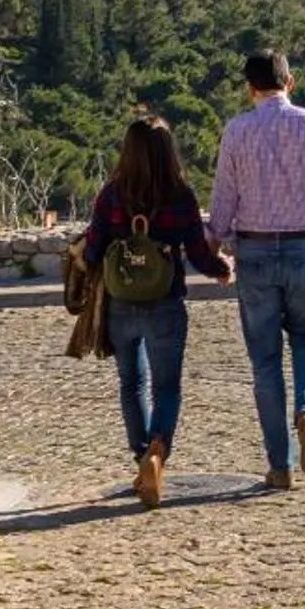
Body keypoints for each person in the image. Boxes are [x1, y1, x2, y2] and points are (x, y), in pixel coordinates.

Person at [208, 49, 305, 489]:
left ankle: (281, 465)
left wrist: (213, 249)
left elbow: (222, 204)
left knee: (265, 362)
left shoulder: (236, 132)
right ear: (290, 82)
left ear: (249, 88)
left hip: (254, 254)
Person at [83, 115, 230, 506]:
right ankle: (157, 452)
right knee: (167, 387)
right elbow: (198, 253)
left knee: (132, 384)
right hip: (165, 303)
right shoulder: (180, 195)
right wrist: (222, 270)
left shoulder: (111, 195)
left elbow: (94, 250)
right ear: (168, 152)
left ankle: (141, 458)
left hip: (120, 305)